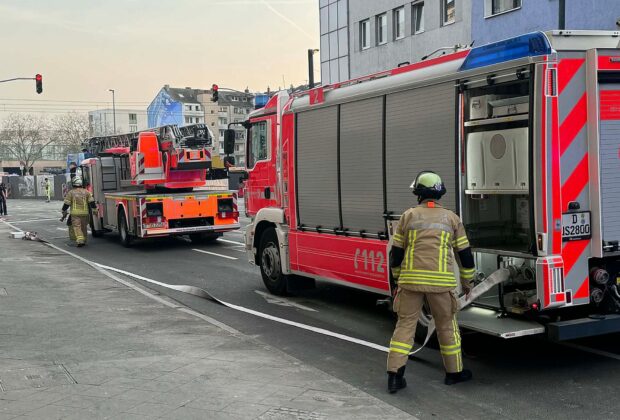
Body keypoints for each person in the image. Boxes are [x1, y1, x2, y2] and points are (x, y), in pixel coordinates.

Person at [386, 171, 476, 394]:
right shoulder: (452, 218)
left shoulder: (408, 216)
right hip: (441, 285)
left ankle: (395, 377)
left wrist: (397, 279)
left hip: (410, 282)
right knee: (447, 326)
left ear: (418, 193)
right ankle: (454, 374)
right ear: (439, 193)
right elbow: (465, 255)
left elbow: (396, 254)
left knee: (405, 326)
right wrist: (468, 281)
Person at [61, 176, 95, 247]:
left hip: (75, 214)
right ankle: (84, 240)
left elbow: (66, 204)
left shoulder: (71, 193)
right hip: (85, 213)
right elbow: (92, 202)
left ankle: (80, 241)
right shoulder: (86, 192)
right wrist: (94, 209)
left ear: (73, 184)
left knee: (77, 227)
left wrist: (63, 210)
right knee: (84, 227)